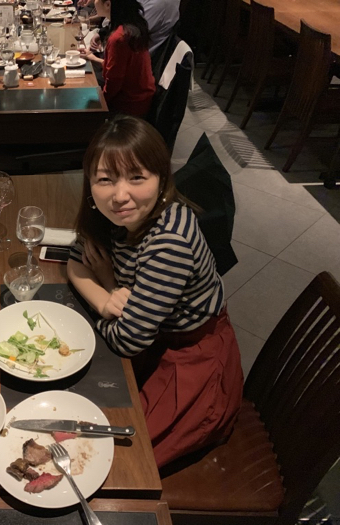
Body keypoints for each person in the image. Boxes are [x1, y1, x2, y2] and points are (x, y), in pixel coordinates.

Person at [67, 115, 243, 468]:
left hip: (189, 361)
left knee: (116, 458)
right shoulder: (113, 216)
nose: (120, 196)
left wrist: (108, 284)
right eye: (105, 179)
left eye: (137, 177)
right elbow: (75, 261)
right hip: (152, 341)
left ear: (161, 179)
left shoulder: (168, 242)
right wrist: (107, 300)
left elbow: (127, 339)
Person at [80, 0, 155, 117]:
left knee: (82, 95)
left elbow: (113, 82)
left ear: (108, 4)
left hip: (129, 103)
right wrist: (93, 58)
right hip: (141, 96)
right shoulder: (132, 25)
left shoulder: (119, 38)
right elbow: (119, 69)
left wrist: (100, 105)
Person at [78, 0, 180, 54]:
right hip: (123, 49)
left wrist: (105, 37)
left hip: (135, 64)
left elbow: (131, 31)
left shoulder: (159, 3)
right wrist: (102, 33)